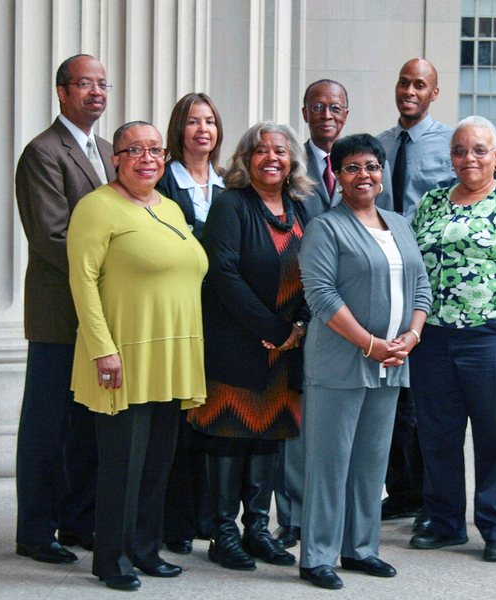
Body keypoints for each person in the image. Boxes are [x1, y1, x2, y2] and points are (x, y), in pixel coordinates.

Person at [67, 121, 209, 591]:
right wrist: (102, 350)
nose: (147, 158)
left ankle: (146, 551)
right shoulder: (96, 207)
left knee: (157, 463)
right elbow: (82, 282)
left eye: (154, 150)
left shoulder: (169, 206)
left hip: (171, 354)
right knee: (122, 464)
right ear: (116, 158)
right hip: (123, 354)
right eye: (134, 150)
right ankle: (112, 559)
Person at [408, 116, 496, 563]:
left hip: (492, 339)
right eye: (460, 150)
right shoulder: (430, 204)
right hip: (432, 340)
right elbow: (412, 272)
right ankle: (445, 522)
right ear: (451, 157)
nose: (469, 158)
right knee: (437, 434)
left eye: (479, 150)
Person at [298, 134, 431, 590]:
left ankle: (360, 549)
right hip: (340, 362)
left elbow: (422, 289)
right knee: (330, 461)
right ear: (336, 174)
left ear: (382, 172)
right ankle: (317, 555)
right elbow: (320, 295)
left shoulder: (399, 224)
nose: (364, 175)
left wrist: (409, 337)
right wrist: (370, 342)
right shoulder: (326, 227)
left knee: (372, 461)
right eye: (352, 167)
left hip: (392, 362)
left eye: (371, 166)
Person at [273, 79, 394, 549]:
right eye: (318, 106)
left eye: (336, 107)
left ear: (346, 113)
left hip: (347, 319)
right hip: (294, 310)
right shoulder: (289, 162)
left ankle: (341, 527)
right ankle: (296, 518)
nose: (327, 113)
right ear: (305, 111)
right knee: (300, 428)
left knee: (344, 436)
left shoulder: (360, 164)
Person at [186, 121, 311, 572]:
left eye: (280, 150)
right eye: (260, 151)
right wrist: (275, 329)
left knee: (268, 439)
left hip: (285, 352)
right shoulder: (230, 205)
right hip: (236, 344)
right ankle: (224, 534)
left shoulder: (302, 209)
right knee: (229, 436)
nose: (271, 158)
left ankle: (257, 530)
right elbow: (223, 274)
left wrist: (299, 324)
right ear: (245, 159)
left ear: (292, 159)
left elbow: (318, 273)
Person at [14, 54, 111, 564]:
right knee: (47, 425)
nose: (96, 92)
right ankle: (34, 530)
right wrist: (115, 271)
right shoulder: (43, 152)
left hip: (102, 312)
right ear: (62, 92)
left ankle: (76, 521)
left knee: (86, 424)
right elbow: (53, 236)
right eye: (84, 84)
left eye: (102, 84)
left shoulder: (112, 150)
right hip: (59, 313)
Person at [375, 58, 456, 531]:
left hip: (432, 281)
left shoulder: (450, 145)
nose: (409, 90)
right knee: (392, 388)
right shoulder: (381, 146)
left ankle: (430, 493)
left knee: (428, 394)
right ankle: (400, 490)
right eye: (404, 82)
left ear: (434, 92)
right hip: (387, 277)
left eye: (419, 84)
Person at [155, 93, 226, 555]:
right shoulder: (163, 183)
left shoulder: (226, 186)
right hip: (178, 314)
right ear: (178, 129)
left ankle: (204, 516)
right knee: (176, 420)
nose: (203, 129)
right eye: (193, 121)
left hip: (217, 318)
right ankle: (173, 522)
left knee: (207, 418)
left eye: (211, 122)